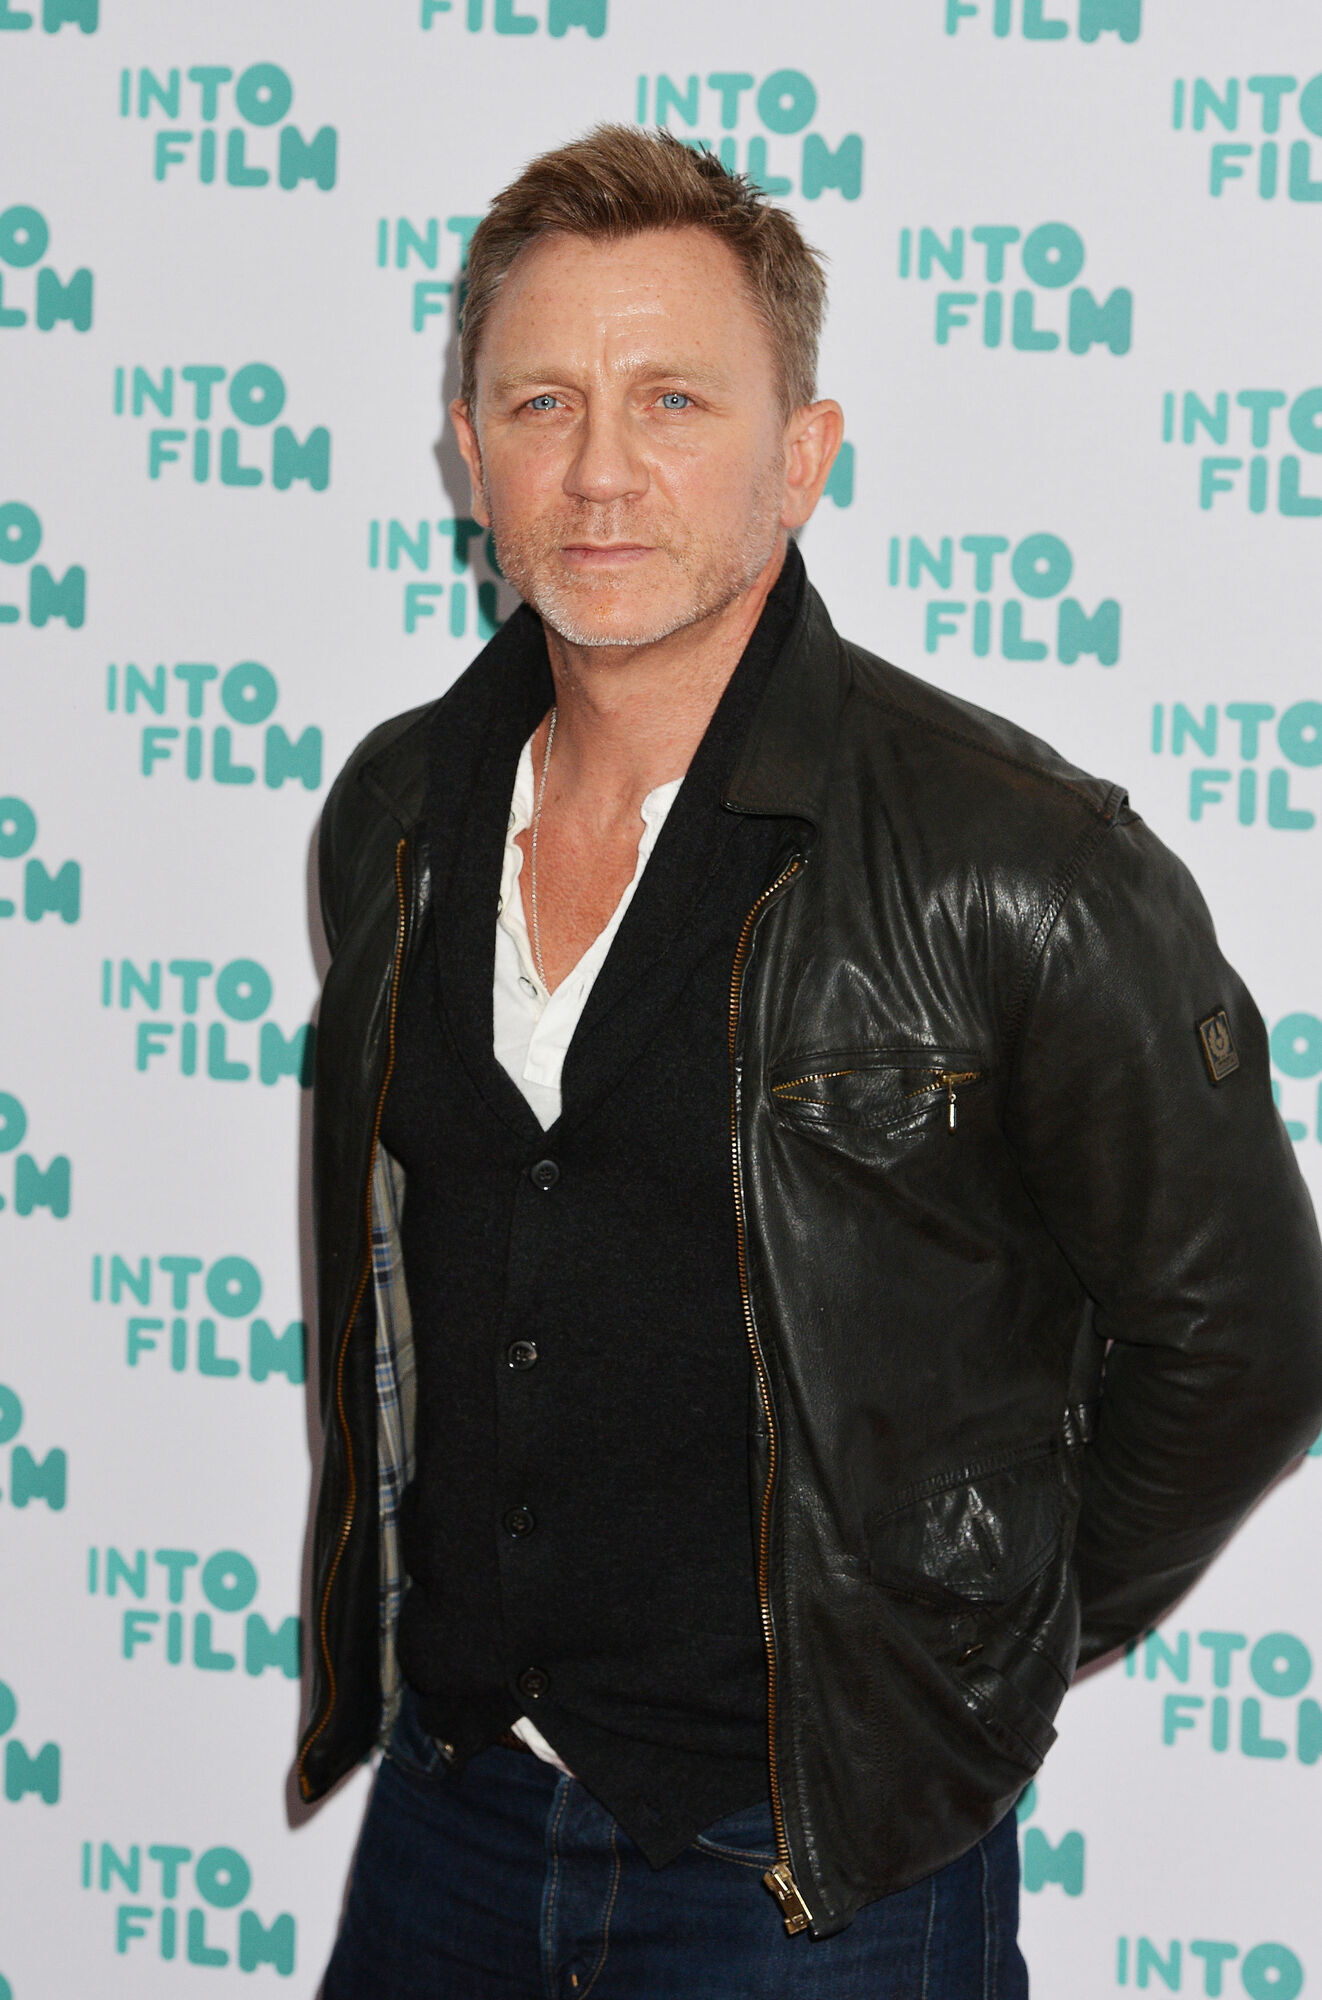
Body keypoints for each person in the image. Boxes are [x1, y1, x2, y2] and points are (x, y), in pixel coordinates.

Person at [305, 126, 1322, 1997]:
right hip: (448, 1811)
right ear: (467, 449)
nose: (599, 470)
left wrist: (967, 1655)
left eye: (672, 399)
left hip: (808, 1878)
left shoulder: (1018, 864)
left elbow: (1244, 1343)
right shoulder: (394, 817)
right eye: (541, 401)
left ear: (802, 456)